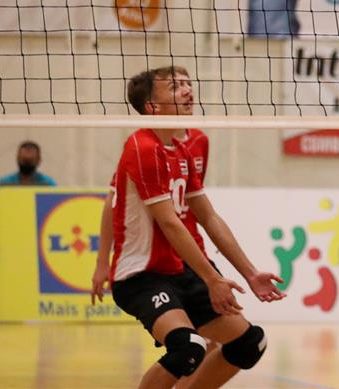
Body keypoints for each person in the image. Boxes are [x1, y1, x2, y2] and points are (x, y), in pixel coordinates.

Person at [92, 65, 285, 389]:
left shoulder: (185, 147)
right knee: (188, 348)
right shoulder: (142, 147)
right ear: (152, 106)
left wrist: (250, 274)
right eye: (174, 87)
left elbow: (208, 217)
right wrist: (212, 279)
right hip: (141, 275)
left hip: (182, 269)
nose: (187, 90)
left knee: (250, 343)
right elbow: (168, 222)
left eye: (187, 84)